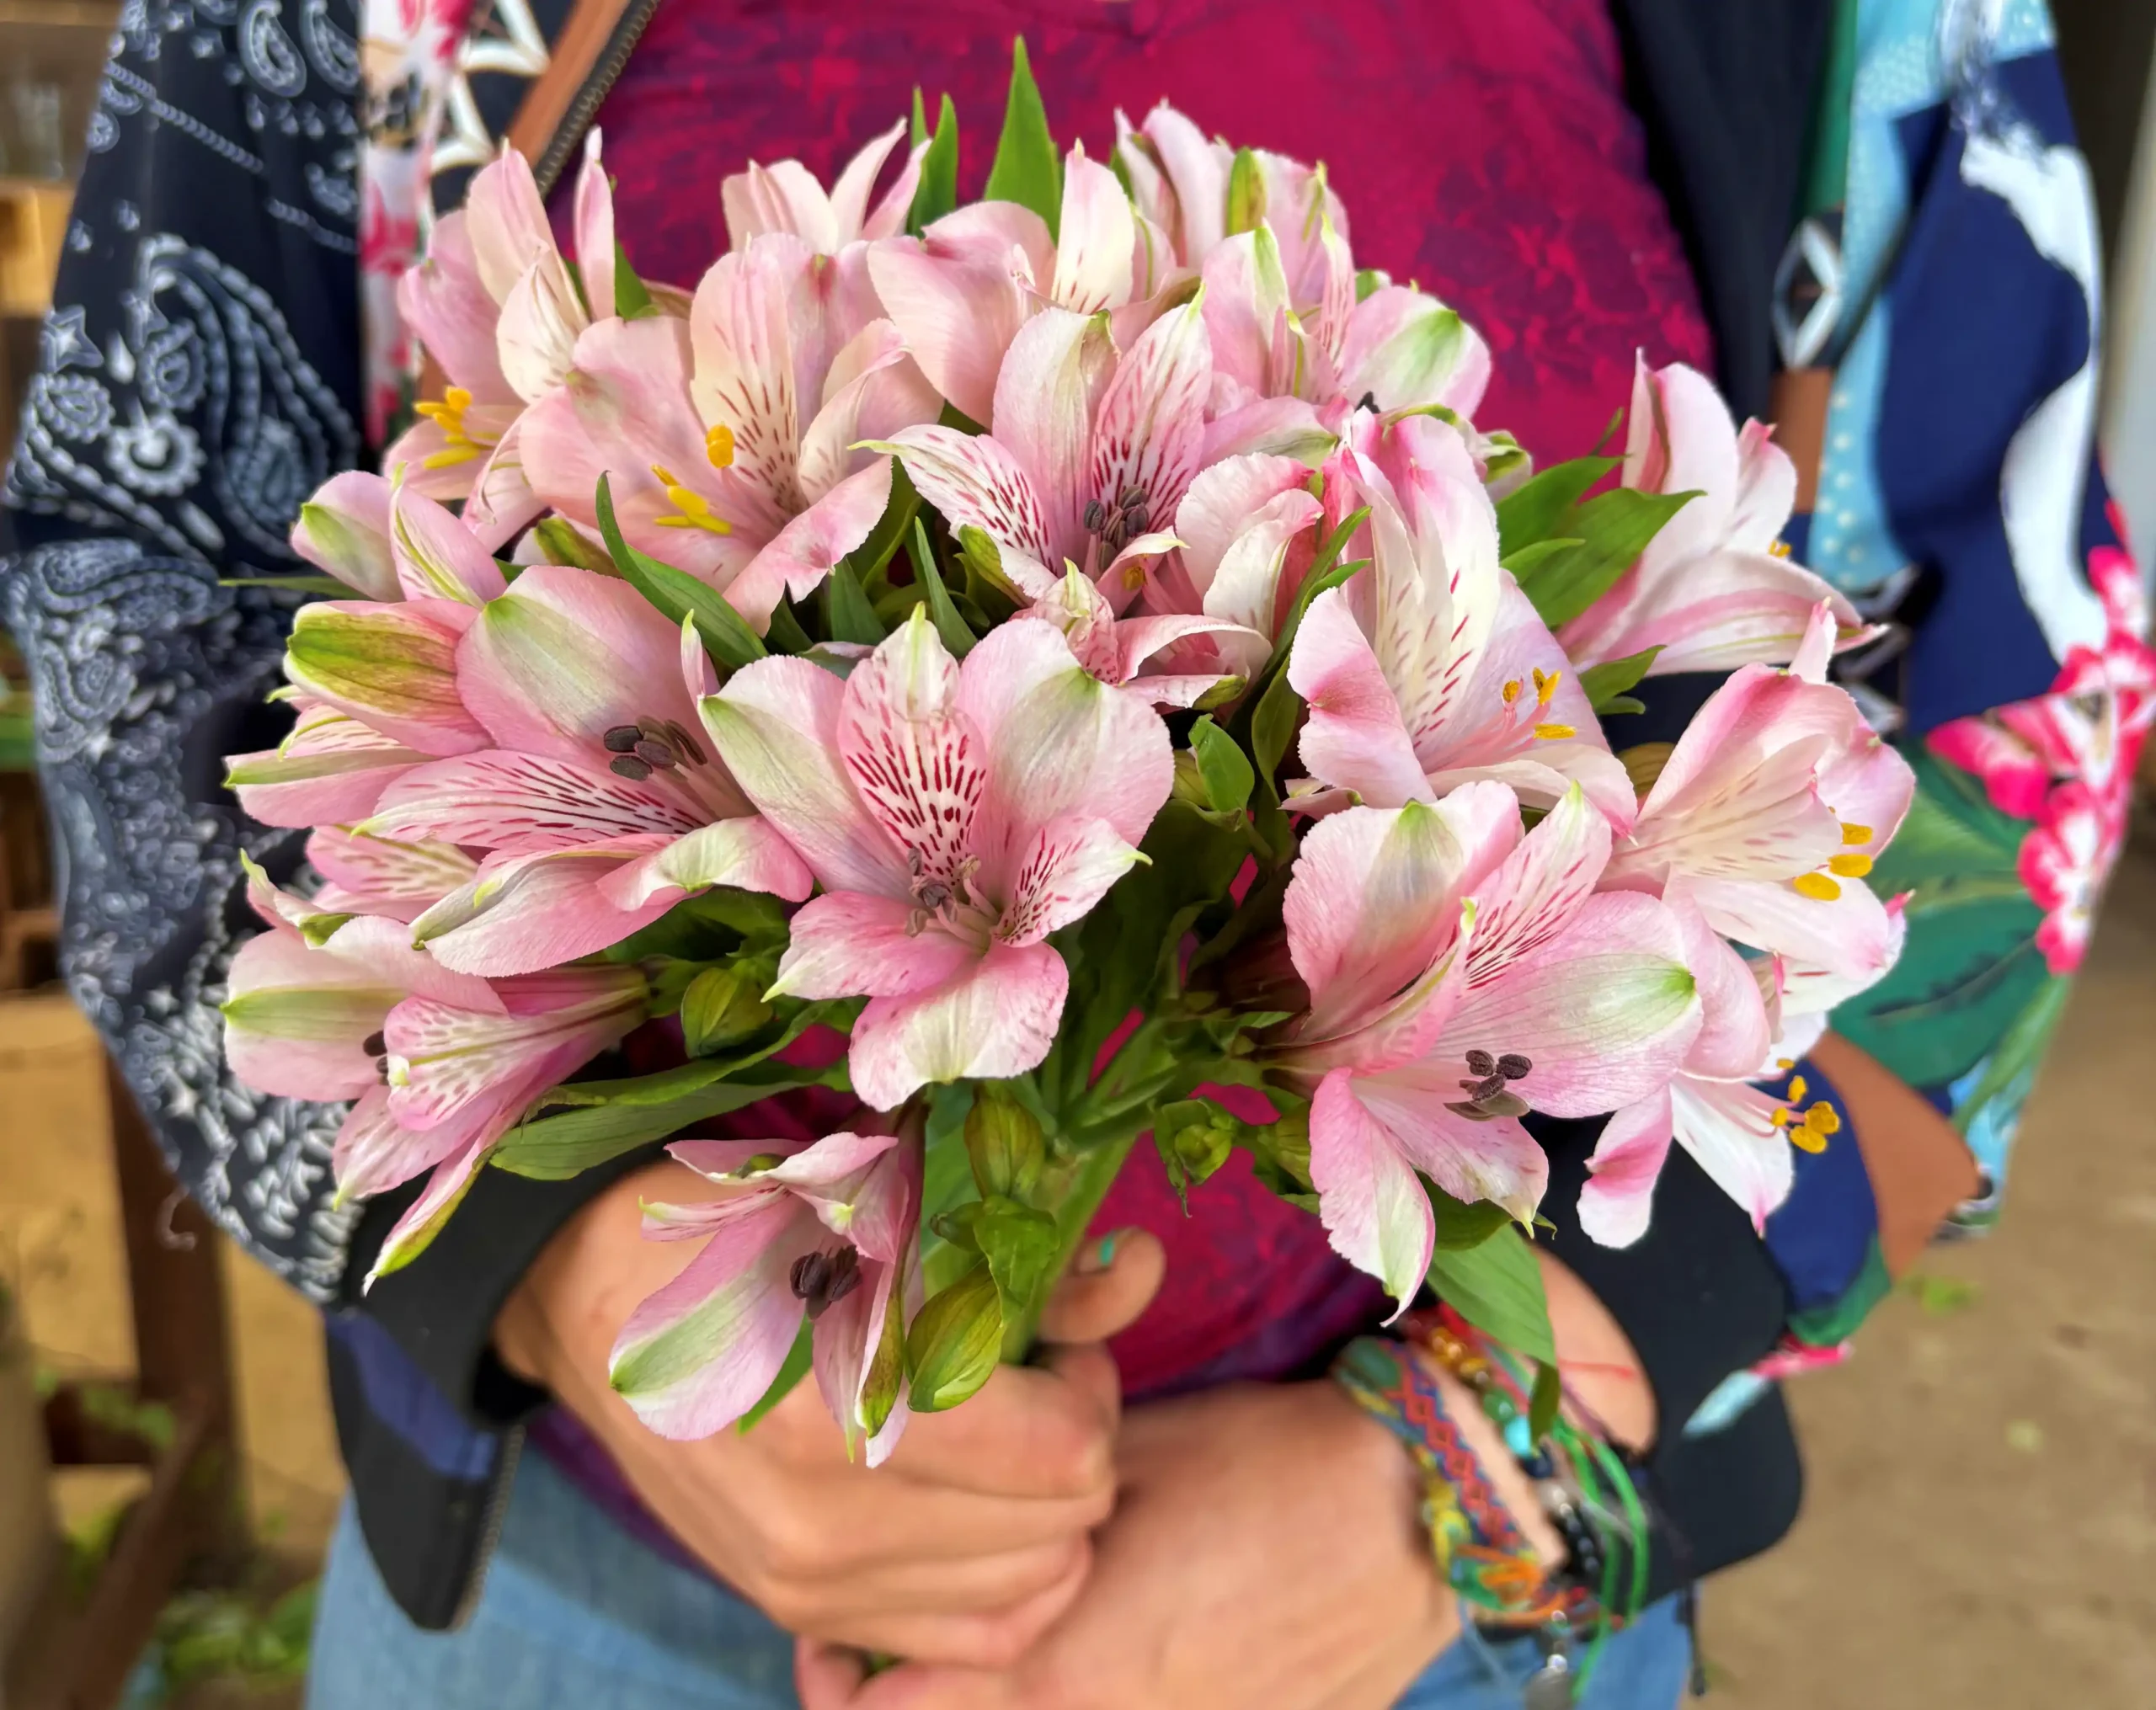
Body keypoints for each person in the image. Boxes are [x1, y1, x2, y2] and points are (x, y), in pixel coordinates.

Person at [1, 0, 2138, 1705]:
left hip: (1429, 1614)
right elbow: (135, 600)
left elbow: (2010, 732)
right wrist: (542, 1272)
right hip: (585, 1589)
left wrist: (1472, 1457)